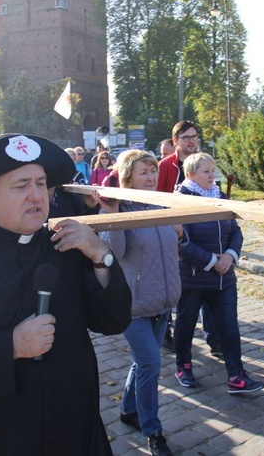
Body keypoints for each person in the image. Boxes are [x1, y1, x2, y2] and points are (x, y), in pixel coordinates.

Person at [0, 133, 132, 455]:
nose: (36, 196)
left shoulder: (69, 245)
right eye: (21, 185)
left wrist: (102, 256)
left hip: (75, 428)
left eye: (41, 184)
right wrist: (10, 345)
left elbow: (114, 321)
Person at [94, 149, 181, 456]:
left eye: (153, 171)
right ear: (127, 176)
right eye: (144, 172)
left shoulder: (162, 204)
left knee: (143, 363)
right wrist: (114, 215)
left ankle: (129, 409)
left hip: (163, 302)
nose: (151, 177)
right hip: (132, 306)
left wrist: (181, 233)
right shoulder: (117, 209)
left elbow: (173, 245)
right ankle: (153, 431)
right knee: (150, 364)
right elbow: (114, 254)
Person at [172, 153, 264, 394]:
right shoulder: (180, 200)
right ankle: (183, 365)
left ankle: (236, 375)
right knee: (186, 324)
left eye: (213, 170)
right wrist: (213, 260)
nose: (212, 175)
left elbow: (235, 231)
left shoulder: (220, 196)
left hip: (224, 277)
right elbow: (181, 242)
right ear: (190, 174)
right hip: (192, 278)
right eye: (206, 171)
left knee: (229, 327)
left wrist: (230, 256)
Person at [156, 120, 220, 357]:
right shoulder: (165, 166)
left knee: (207, 285)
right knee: (171, 285)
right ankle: (166, 330)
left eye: (194, 136)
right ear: (175, 141)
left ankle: (214, 338)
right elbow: (156, 199)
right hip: (171, 234)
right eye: (186, 137)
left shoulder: (205, 163)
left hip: (202, 234)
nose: (192, 141)